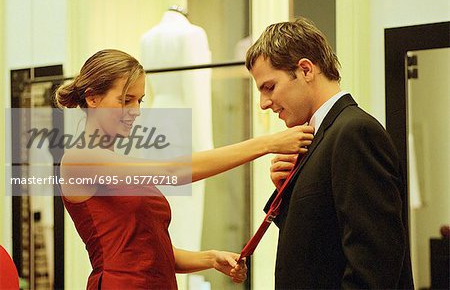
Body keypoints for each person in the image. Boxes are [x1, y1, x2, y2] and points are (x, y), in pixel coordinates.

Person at [54, 49, 314, 289]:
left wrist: (211, 258)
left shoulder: (119, 163)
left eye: (139, 101)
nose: (135, 111)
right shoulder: (80, 159)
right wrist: (267, 143)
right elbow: (173, 172)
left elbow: (151, 250)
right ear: (92, 98)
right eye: (126, 100)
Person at [245, 18, 414, 289]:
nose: (264, 103)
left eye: (269, 87)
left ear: (305, 70)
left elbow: (373, 262)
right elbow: (319, 246)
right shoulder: (321, 136)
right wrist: (287, 192)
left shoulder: (354, 132)